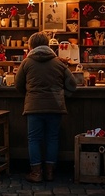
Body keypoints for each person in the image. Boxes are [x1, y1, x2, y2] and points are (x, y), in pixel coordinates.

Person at [14, 32, 77, 183]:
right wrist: (62, 95)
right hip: (55, 107)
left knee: (34, 139)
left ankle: (36, 173)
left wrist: (29, 95)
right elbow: (73, 84)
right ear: (48, 45)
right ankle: (49, 172)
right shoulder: (58, 63)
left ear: (31, 46)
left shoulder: (27, 63)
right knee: (52, 138)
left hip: (34, 106)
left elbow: (18, 85)